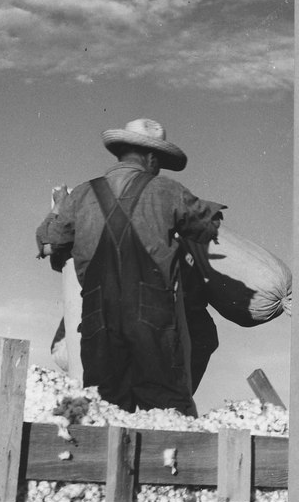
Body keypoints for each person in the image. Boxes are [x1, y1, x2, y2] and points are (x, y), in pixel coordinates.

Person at [36, 118, 225, 416]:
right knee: (164, 408)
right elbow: (208, 226)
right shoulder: (167, 190)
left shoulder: (81, 196)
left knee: (106, 406)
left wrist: (59, 205)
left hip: (98, 317)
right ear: (151, 158)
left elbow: (49, 245)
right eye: (159, 162)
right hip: (152, 315)